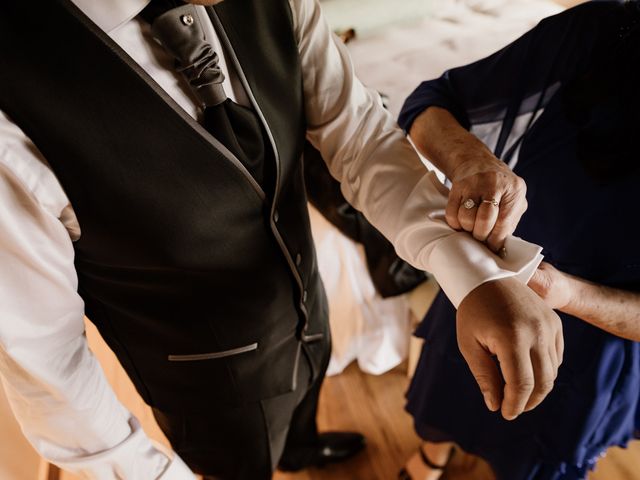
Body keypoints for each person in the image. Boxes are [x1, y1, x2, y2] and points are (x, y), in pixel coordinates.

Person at [0, 0, 561, 479]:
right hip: (210, 385)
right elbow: (46, 357)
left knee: (306, 383)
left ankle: (300, 444)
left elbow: (359, 134)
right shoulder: (14, 97)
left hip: (304, 308)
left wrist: (472, 272)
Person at [398, 1, 640, 479]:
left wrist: (566, 293)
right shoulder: (608, 30)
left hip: (604, 329)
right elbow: (429, 103)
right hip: (492, 273)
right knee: (448, 393)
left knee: (537, 451)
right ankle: (433, 453)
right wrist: (472, 162)